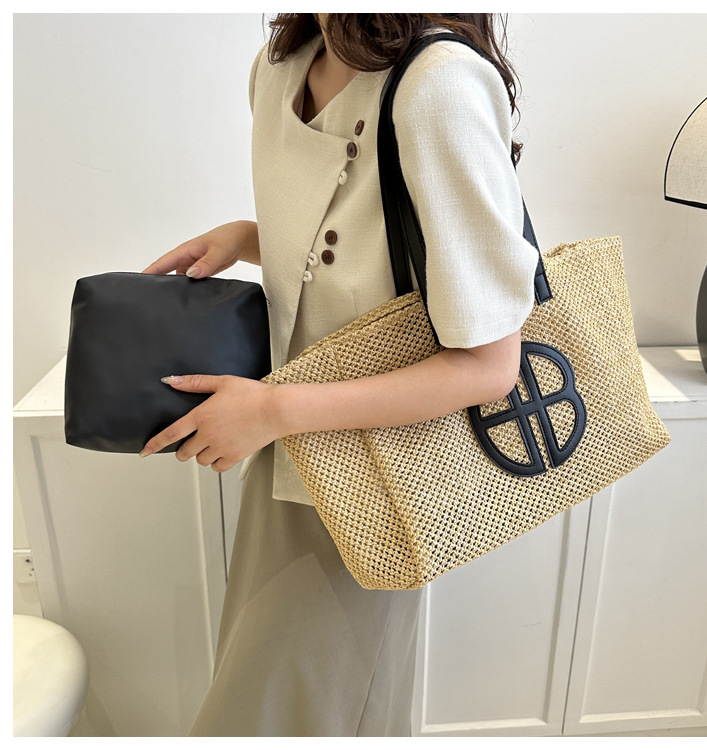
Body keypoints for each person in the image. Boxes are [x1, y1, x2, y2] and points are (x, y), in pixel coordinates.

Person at [141, 13, 539, 737]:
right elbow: (364, 247)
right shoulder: (281, 66)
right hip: (287, 456)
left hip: (377, 476)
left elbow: (488, 365)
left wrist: (272, 412)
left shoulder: (438, 85)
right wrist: (249, 238)